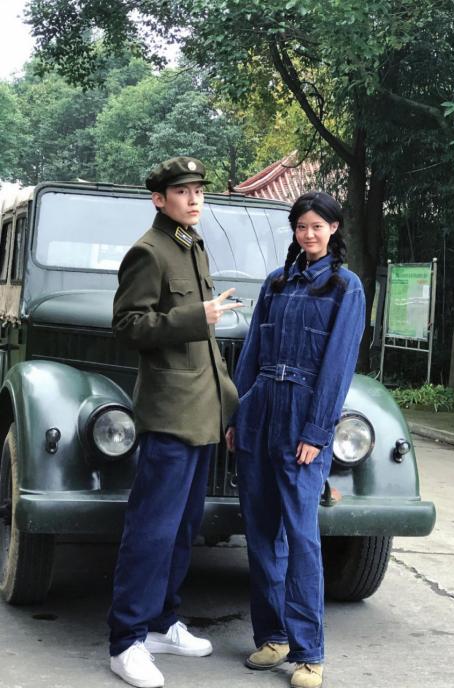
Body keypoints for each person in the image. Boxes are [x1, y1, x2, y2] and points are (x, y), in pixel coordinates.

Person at [108, 156, 242, 688]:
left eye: (198, 190)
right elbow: (127, 325)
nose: (194, 198)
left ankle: (162, 622)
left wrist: (227, 403)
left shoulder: (191, 245)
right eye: (182, 191)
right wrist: (195, 316)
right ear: (158, 199)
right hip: (169, 414)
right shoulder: (150, 250)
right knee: (151, 530)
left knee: (184, 528)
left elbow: (203, 348)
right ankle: (126, 641)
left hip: (201, 411)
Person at [225, 191, 365, 688]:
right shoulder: (276, 282)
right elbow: (252, 351)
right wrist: (238, 415)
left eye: (317, 226)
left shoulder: (345, 287)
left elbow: (338, 367)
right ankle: (273, 637)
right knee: (260, 530)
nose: (308, 234)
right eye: (301, 226)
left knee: (301, 537)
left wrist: (317, 431)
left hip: (303, 416)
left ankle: (309, 654)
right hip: (261, 408)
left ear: (333, 229)